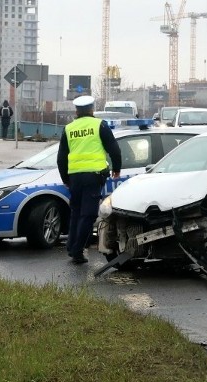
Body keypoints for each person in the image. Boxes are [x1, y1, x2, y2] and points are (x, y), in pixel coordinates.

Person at [57, 95, 121, 264]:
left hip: (75, 178)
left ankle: (72, 248)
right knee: (89, 214)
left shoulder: (69, 128)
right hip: (93, 176)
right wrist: (117, 168)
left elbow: (61, 157)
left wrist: (65, 178)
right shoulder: (99, 125)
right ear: (92, 109)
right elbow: (114, 149)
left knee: (76, 213)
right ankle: (77, 250)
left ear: (76, 111)